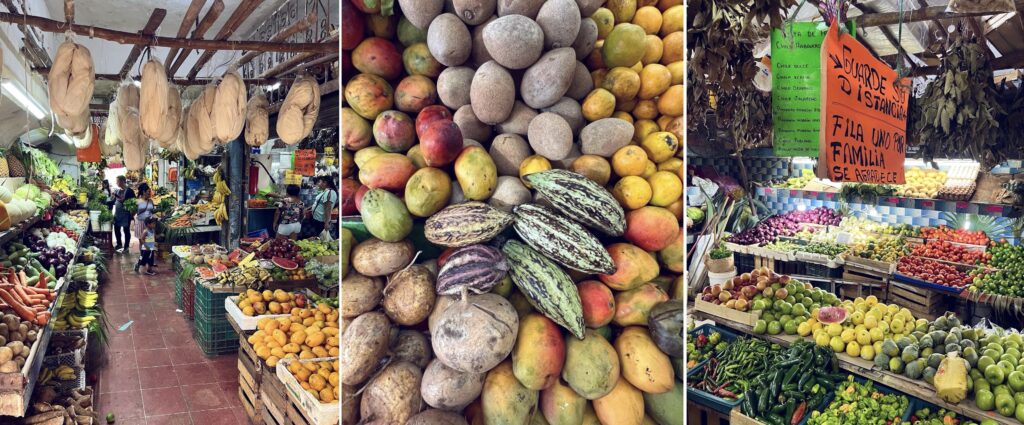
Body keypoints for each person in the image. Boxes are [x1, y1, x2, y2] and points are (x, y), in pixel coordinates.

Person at [112, 176, 135, 253]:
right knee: (116, 229)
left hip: (126, 214)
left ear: (122, 181)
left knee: (126, 230)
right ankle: (119, 244)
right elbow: (114, 201)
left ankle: (126, 247)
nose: (116, 183)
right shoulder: (118, 190)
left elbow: (125, 201)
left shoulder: (129, 191)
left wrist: (132, 214)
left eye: (117, 181)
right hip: (118, 214)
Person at [134, 183, 156, 254]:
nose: (150, 193)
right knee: (142, 240)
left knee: (149, 240)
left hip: (149, 224)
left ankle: (150, 256)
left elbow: (152, 211)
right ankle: (142, 255)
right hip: (140, 223)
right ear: (143, 192)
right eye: (148, 191)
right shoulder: (137, 201)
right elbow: (133, 212)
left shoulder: (151, 201)